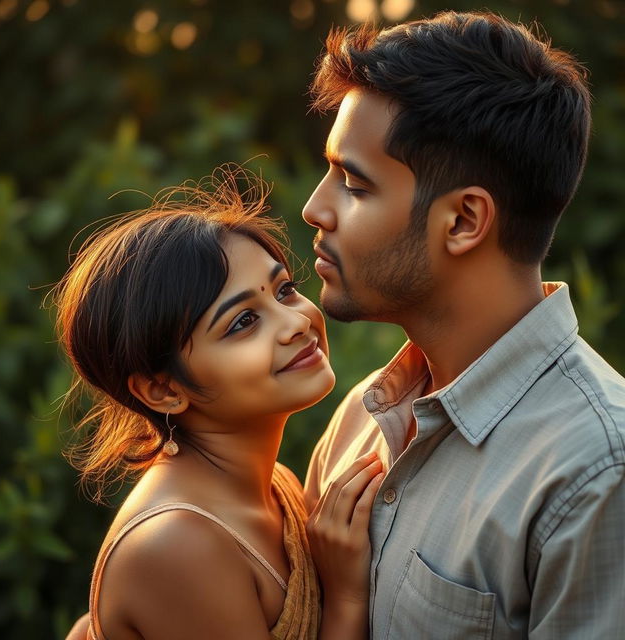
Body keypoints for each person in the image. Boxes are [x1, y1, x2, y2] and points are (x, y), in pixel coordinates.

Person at [302, 11, 625, 639]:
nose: (316, 207)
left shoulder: (598, 473)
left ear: (464, 221)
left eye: (354, 184)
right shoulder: (362, 419)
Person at [57, 168, 384, 640]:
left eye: (284, 290)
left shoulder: (274, 485)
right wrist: (348, 597)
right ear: (162, 390)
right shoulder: (178, 545)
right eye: (244, 321)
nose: (294, 322)